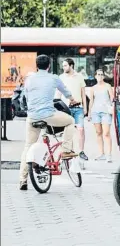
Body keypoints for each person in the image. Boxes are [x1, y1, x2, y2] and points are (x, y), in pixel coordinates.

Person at [19, 55, 78, 190]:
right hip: (48, 115)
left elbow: (26, 97)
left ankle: (22, 179)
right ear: (49, 66)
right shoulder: (54, 78)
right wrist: (72, 99)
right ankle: (66, 150)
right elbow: (65, 91)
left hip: (32, 116)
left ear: (36, 66)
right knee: (70, 121)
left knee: (28, 146)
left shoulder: (29, 79)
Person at [57, 58, 88, 161]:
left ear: (71, 66)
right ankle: (69, 150)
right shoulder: (61, 77)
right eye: (63, 66)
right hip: (66, 108)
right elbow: (58, 93)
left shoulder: (79, 77)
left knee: (81, 129)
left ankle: (81, 151)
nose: (63, 67)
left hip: (78, 107)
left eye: (65, 65)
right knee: (68, 130)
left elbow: (83, 93)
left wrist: (85, 108)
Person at [87, 69, 114, 162]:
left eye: (102, 74)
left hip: (106, 112)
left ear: (104, 76)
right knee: (98, 133)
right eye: (98, 74)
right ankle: (101, 153)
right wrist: (89, 113)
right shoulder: (93, 88)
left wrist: (113, 109)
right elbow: (91, 101)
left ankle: (109, 154)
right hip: (95, 112)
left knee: (106, 133)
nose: (100, 76)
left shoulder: (108, 86)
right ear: (95, 76)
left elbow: (112, 99)